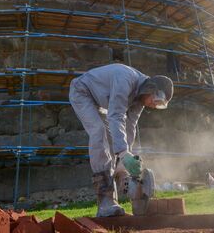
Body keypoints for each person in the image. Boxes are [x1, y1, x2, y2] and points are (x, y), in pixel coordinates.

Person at [69, 63, 174, 217]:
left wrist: (124, 159)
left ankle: (112, 200)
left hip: (98, 102)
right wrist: (123, 153)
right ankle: (105, 201)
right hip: (81, 92)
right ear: (151, 88)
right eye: (156, 99)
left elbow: (130, 126)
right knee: (99, 132)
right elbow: (116, 115)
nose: (154, 104)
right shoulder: (125, 78)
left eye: (159, 104)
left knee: (113, 142)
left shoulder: (140, 100)